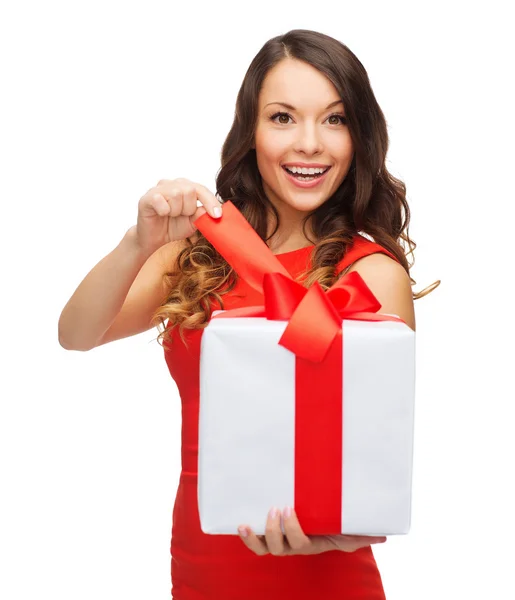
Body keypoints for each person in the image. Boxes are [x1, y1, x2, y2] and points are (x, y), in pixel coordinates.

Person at [58, 28, 437, 600]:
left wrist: (332, 537)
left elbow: (376, 457)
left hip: (324, 578)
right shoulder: (197, 252)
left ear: (359, 137)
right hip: (201, 564)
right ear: (251, 133)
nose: (309, 143)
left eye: (334, 119)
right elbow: (76, 334)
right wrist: (138, 241)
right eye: (283, 117)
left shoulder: (372, 273)